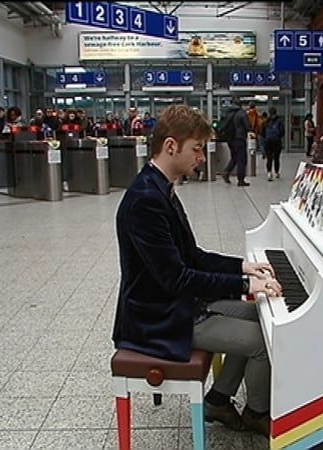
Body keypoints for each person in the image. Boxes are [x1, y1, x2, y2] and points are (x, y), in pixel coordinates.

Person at [113, 104, 282, 436]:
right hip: (157, 317)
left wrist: (243, 267)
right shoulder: (146, 200)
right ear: (171, 146)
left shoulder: (160, 188)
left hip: (175, 303)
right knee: (264, 341)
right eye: (197, 148)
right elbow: (177, 278)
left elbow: (193, 256)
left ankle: (218, 400)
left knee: (255, 315)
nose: (202, 157)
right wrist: (245, 283)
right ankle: (256, 413)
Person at [221, 97, 252, 187]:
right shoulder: (241, 113)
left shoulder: (228, 112)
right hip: (239, 138)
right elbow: (248, 126)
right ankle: (240, 180)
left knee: (234, 157)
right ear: (240, 104)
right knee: (242, 159)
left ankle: (227, 172)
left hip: (230, 139)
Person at [262, 107, 285, 181]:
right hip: (276, 142)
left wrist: (266, 137)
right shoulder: (279, 121)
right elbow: (282, 132)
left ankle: (269, 173)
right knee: (276, 157)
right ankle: (277, 172)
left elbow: (262, 132)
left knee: (269, 158)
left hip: (268, 142)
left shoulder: (266, 122)